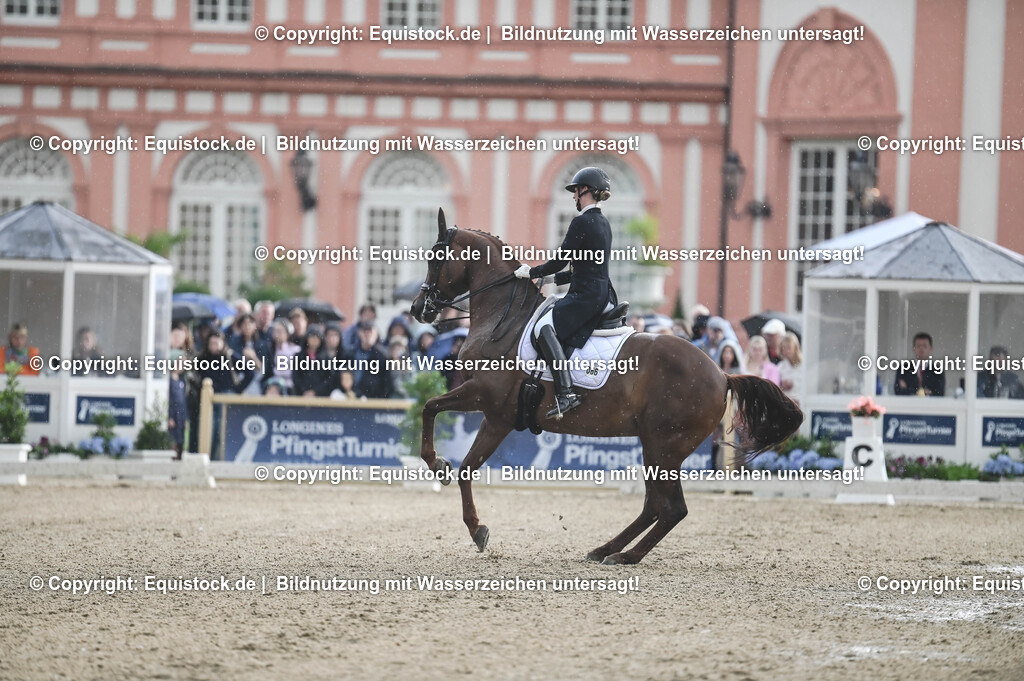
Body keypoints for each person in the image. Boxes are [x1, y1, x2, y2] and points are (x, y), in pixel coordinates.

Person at [514, 166, 617, 418]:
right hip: (601, 292)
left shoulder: (581, 222)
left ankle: (566, 393)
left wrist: (532, 272)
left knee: (542, 327)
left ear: (587, 191)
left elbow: (561, 260)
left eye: (577, 192)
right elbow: (580, 269)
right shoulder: (603, 223)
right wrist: (549, 279)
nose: (574, 197)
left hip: (586, 297)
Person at [350, 321, 392, 399]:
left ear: (376, 334)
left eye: (370, 331)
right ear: (359, 333)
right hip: (350, 397)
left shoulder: (382, 356)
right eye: (364, 331)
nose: (367, 334)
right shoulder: (350, 353)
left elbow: (387, 384)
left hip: (373, 401)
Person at [895, 332, 945, 396]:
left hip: (931, 405)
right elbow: (898, 391)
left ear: (930, 349)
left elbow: (940, 393)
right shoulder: (903, 368)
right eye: (918, 346)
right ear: (914, 348)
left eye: (924, 346)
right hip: (907, 405)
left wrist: (909, 390)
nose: (921, 348)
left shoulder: (937, 370)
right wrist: (924, 392)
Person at [293, 324, 334, 397]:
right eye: (312, 337)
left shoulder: (326, 358)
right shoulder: (299, 356)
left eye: (317, 337)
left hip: (321, 398)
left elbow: (329, 379)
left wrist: (316, 391)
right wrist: (304, 391)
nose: (314, 340)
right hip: (301, 396)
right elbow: (296, 377)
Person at [777, 332, 803, 405]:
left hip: (802, 404)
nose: (786, 351)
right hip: (787, 404)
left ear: (795, 347)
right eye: (783, 348)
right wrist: (782, 385)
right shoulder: (780, 366)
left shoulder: (804, 365)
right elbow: (777, 387)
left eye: (788, 348)